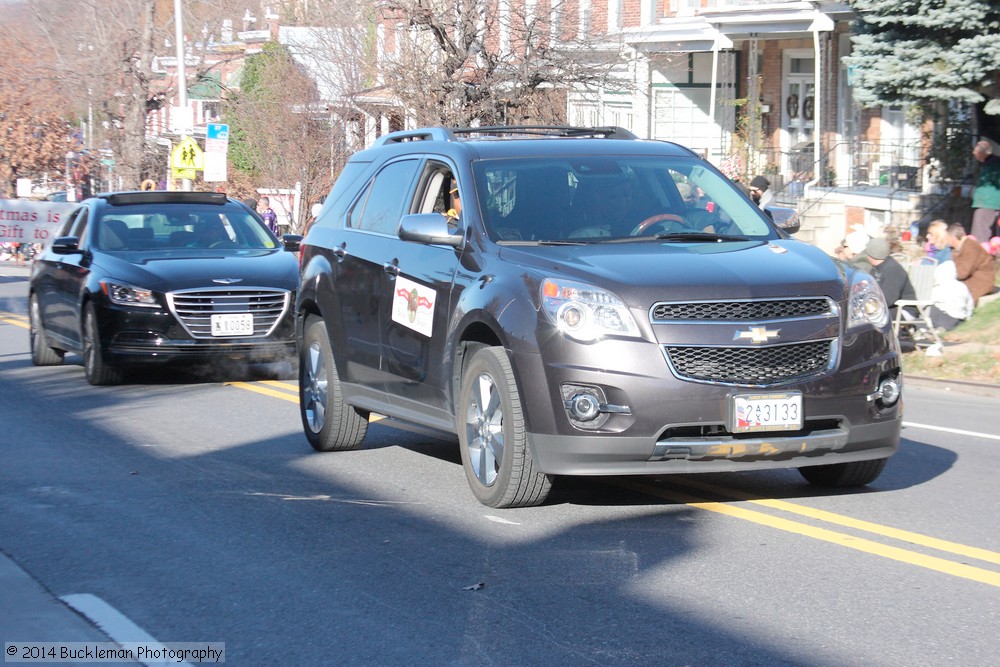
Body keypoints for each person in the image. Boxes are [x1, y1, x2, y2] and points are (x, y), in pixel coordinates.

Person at [944, 222, 997, 305]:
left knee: (952, 294)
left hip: (980, 281)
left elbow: (962, 273)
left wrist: (946, 274)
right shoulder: (959, 247)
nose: (946, 241)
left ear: (953, 238)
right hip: (971, 279)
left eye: (947, 238)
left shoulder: (971, 247)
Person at [865, 236, 915, 319]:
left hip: (904, 310)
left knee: (863, 316)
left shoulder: (892, 269)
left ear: (870, 254)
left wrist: (867, 306)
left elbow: (889, 298)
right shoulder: (875, 269)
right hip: (887, 308)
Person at [928, 260, 974, 331]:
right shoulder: (962, 286)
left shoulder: (939, 288)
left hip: (946, 317)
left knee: (930, 308)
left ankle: (926, 328)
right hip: (959, 318)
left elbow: (929, 301)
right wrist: (968, 316)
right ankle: (941, 328)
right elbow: (970, 303)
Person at [970, 140, 1000, 242]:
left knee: (980, 235)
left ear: (982, 152)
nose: (974, 153)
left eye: (976, 150)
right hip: (988, 203)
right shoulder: (989, 163)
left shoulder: (994, 164)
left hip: (988, 204)